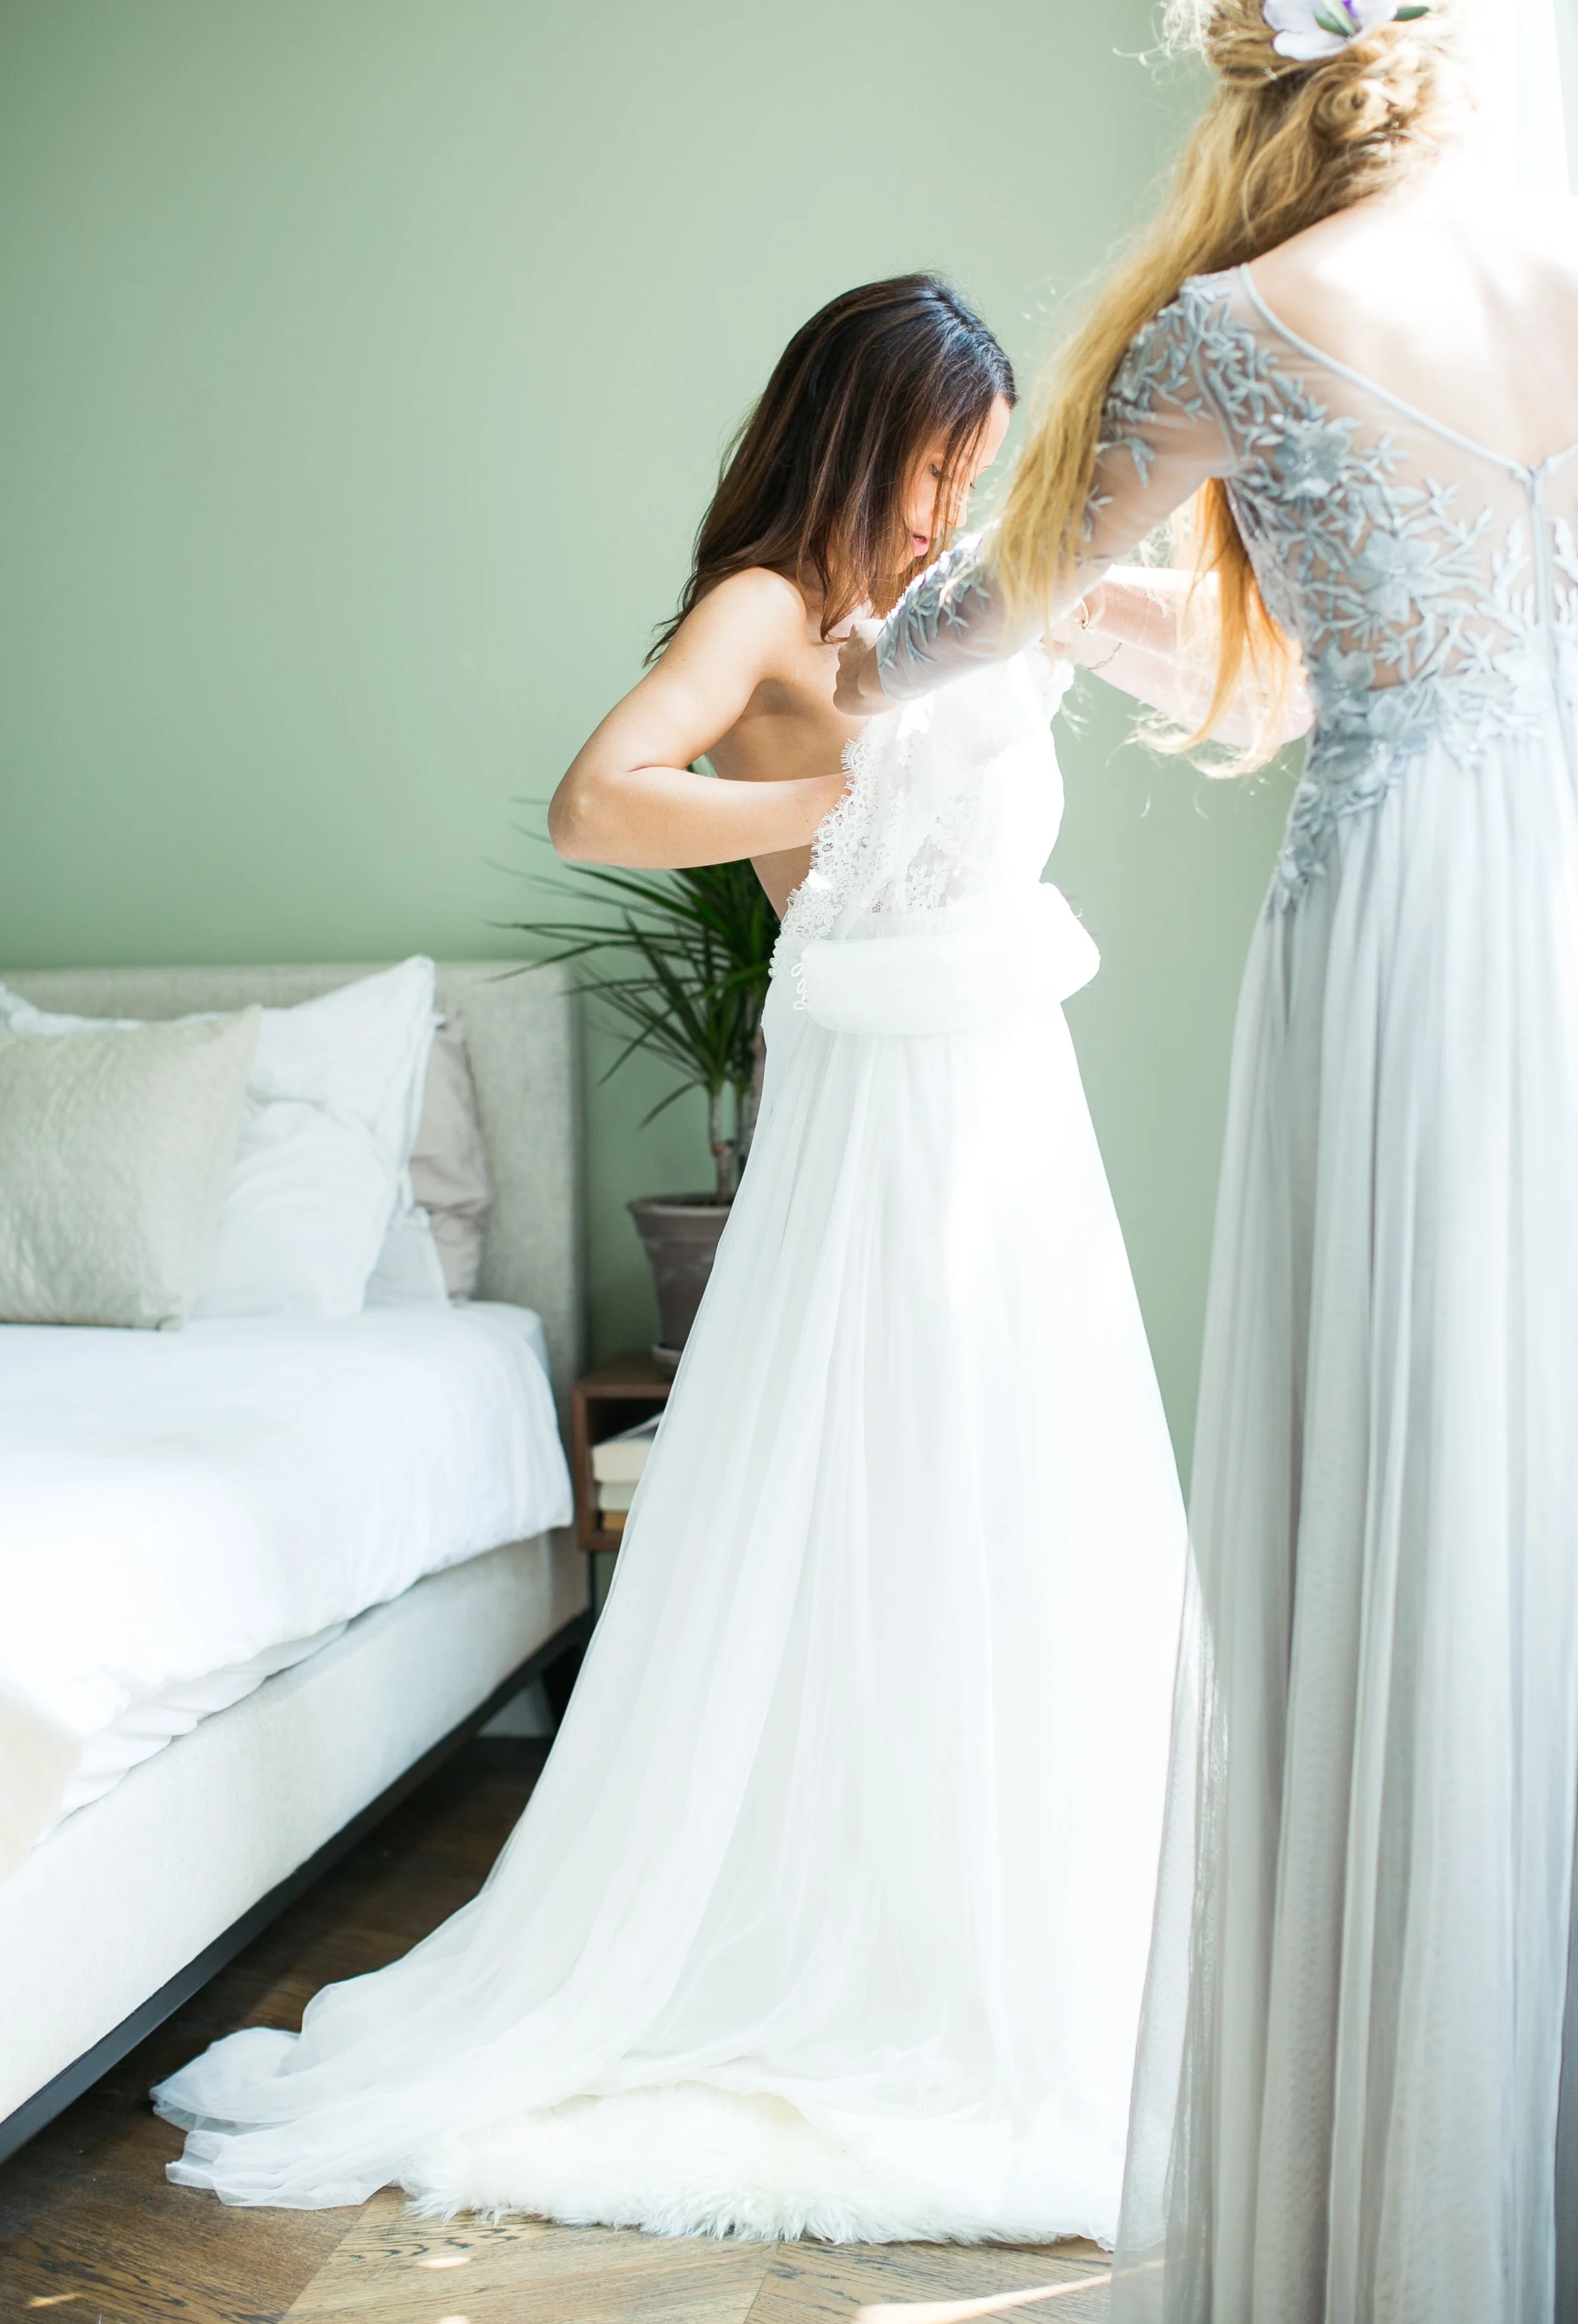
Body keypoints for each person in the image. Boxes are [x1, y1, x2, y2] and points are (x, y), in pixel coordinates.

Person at [152, 275, 1191, 2244]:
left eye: (975, 470)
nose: (948, 504)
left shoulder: (964, 591)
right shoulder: (769, 608)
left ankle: (1022, 1921)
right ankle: (823, 1935)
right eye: (933, 463)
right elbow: (594, 798)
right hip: (875, 1106)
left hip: (1009, 1107)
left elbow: (1182, 650)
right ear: (856, 435)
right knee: (868, 1495)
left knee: (1017, 1499)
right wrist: (838, 793)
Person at [836, 0, 1578, 2318]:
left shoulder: (1234, 325)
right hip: (1556, 882)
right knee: (1526, 1460)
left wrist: (846, 660)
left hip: (1407, 910)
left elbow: (1002, 603)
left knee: (1400, 1445)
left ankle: (1392, 2203)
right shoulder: (1561, 275)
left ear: (1255, 103)